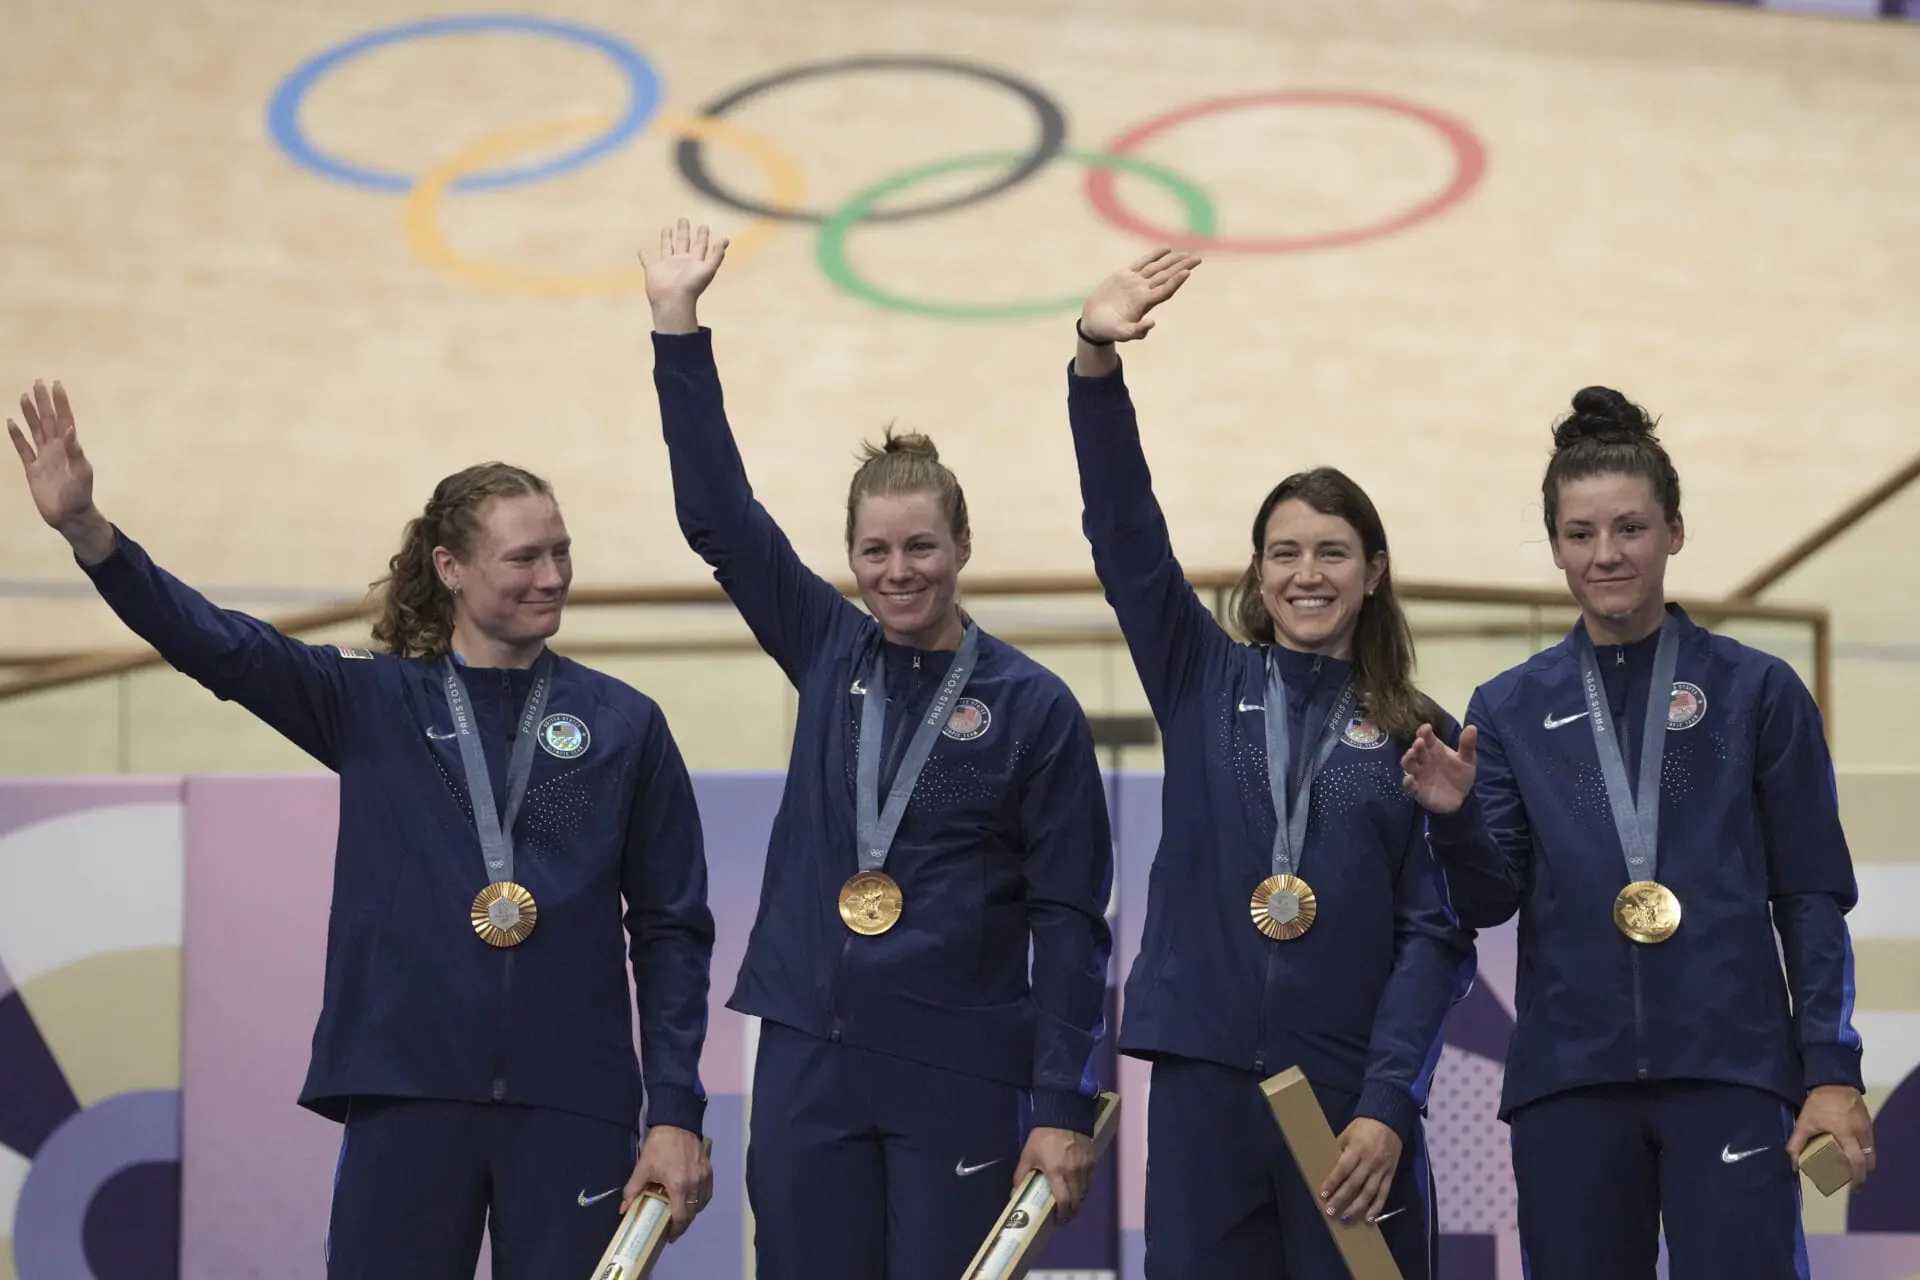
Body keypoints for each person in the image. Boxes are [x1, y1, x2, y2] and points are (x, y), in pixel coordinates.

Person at [8, 382, 715, 1279]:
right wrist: (90, 537)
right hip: (406, 1093)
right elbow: (219, 646)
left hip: (573, 1104)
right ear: (452, 567)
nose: (553, 576)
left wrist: (676, 1113)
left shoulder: (625, 723)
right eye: (524, 557)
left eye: (562, 552)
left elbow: (671, 931)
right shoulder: (373, 700)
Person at [641, 219, 1115, 1280]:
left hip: (958, 1063)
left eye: (920, 546)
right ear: (849, 554)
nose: (897, 570)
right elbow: (718, 516)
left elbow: (1071, 922)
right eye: (873, 549)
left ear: (963, 546)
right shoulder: (824, 644)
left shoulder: (1032, 708)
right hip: (810, 1052)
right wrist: (679, 325)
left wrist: (1061, 1103)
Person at [1400, 385, 1875, 1278]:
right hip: (1570, 1082)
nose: (1606, 554)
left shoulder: (1756, 691)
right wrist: (1456, 821)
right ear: (1554, 547)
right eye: (1581, 535)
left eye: (1630, 529)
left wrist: (1831, 1071)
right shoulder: (1508, 708)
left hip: (1731, 1074)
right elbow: (1490, 898)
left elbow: (1810, 897)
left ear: (1675, 532)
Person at [1065, 250, 1475, 1278]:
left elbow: (1436, 933)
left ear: (1373, 571)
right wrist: (1094, 369)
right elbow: (1126, 538)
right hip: (1206, 1083)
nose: (1307, 573)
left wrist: (1389, 1102)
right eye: (1284, 552)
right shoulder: (1202, 676)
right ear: (1257, 572)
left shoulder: (1420, 730)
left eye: (1333, 550)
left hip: (1348, 1101)